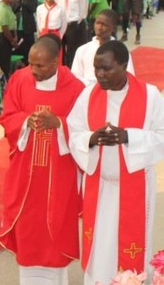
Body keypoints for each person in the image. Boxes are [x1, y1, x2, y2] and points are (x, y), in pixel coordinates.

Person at [67, 41, 164, 285]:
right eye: (97, 68)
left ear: (124, 65)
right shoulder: (88, 95)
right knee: (99, 245)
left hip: (134, 188)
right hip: (98, 187)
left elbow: (162, 135)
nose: (100, 74)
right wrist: (91, 138)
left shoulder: (150, 95)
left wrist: (128, 136)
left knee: (129, 249)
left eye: (106, 68)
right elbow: (74, 131)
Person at [0, 34, 85, 284]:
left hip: (58, 173)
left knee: (54, 226)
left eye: (40, 66)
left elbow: (83, 128)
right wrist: (26, 121)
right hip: (26, 172)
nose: (33, 71)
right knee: (29, 228)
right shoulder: (19, 79)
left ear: (55, 63)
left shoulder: (75, 87)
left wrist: (58, 123)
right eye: (30, 64)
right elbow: (8, 115)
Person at [71, 9, 134, 87]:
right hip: (87, 92)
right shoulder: (82, 50)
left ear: (113, 28)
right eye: (97, 23)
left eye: (104, 25)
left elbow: (129, 76)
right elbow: (75, 76)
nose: (99, 27)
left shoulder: (121, 51)